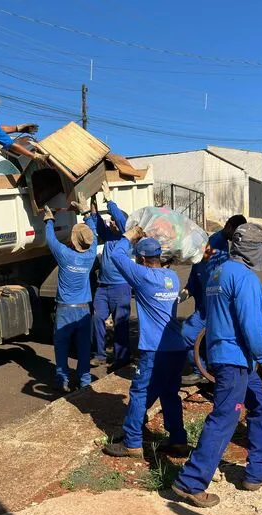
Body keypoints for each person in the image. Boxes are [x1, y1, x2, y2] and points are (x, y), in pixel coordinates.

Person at [172, 223, 262, 508]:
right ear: (254, 249)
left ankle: (257, 472)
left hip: (227, 356)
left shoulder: (218, 272)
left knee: (260, 406)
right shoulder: (245, 279)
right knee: (224, 418)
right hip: (235, 360)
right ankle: (190, 482)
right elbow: (252, 326)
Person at [102, 229, 189, 459]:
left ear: (141, 259)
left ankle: (132, 442)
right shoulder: (172, 278)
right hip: (177, 346)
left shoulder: (143, 276)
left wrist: (128, 235)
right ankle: (178, 440)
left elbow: (117, 257)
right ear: (158, 256)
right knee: (170, 393)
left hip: (155, 349)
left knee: (140, 392)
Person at [179, 215, 247, 381]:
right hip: (208, 307)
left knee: (210, 340)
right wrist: (189, 288)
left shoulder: (220, 244)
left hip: (213, 305)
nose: (237, 237)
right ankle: (200, 370)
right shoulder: (217, 248)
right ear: (229, 225)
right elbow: (200, 269)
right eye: (236, 232)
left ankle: (209, 370)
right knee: (188, 333)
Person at [43, 192, 98, 392]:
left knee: (62, 346)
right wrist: (87, 213)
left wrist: (49, 219)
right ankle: (84, 381)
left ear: (73, 242)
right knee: (83, 348)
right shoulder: (90, 256)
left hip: (65, 310)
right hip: (84, 309)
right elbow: (94, 236)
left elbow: (51, 240)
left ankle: (63, 379)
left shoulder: (65, 256)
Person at [91, 182, 131, 371]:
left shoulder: (127, 237)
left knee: (120, 324)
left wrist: (110, 202)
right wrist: (92, 202)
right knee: (97, 318)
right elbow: (98, 222)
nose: (111, 223)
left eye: (113, 221)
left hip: (121, 287)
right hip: (103, 287)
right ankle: (99, 355)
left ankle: (122, 358)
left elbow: (122, 221)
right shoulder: (108, 236)